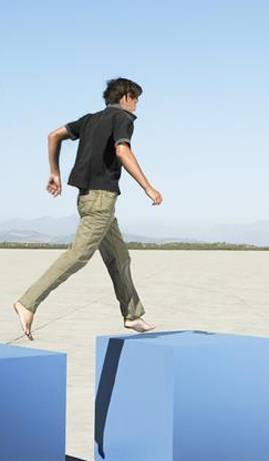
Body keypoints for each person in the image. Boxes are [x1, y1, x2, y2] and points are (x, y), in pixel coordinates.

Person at [13, 77, 162, 340]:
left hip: (88, 199)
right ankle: (28, 302)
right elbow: (122, 151)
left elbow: (53, 135)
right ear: (126, 97)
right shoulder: (122, 118)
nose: (137, 105)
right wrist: (148, 187)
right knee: (78, 255)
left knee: (119, 257)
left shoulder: (90, 119)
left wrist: (54, 172)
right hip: (101, 201)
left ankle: (132, 314)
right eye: (136, 99)